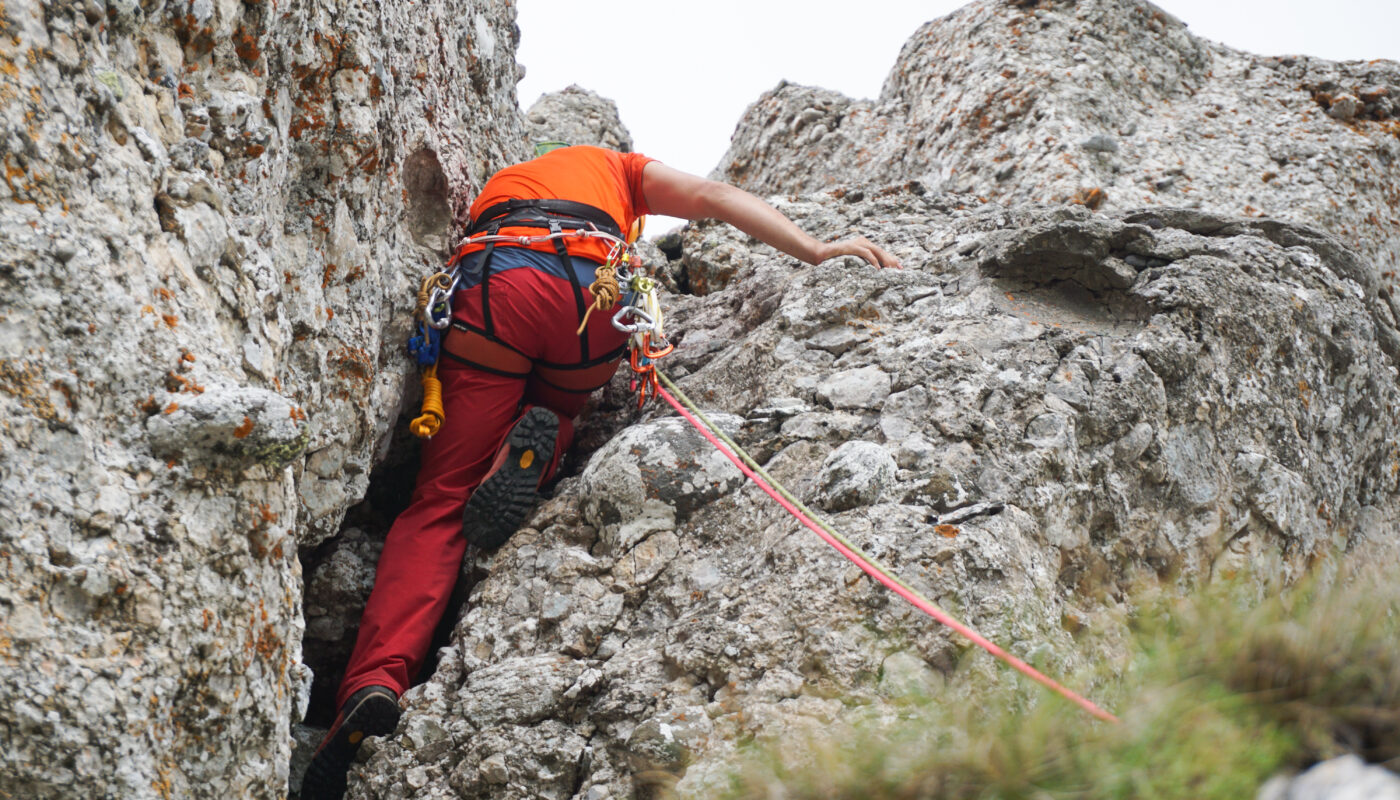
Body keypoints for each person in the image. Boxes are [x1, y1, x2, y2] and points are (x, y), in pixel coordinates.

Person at [301, 145, 900, 798]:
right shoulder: (620, 169)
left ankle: (375, 682)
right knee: (558, 404)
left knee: (439, 500)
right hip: (595, 297)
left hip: (506, 272)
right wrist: (816, 249)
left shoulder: (510, 182)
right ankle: (538, 449)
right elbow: (715, 198)